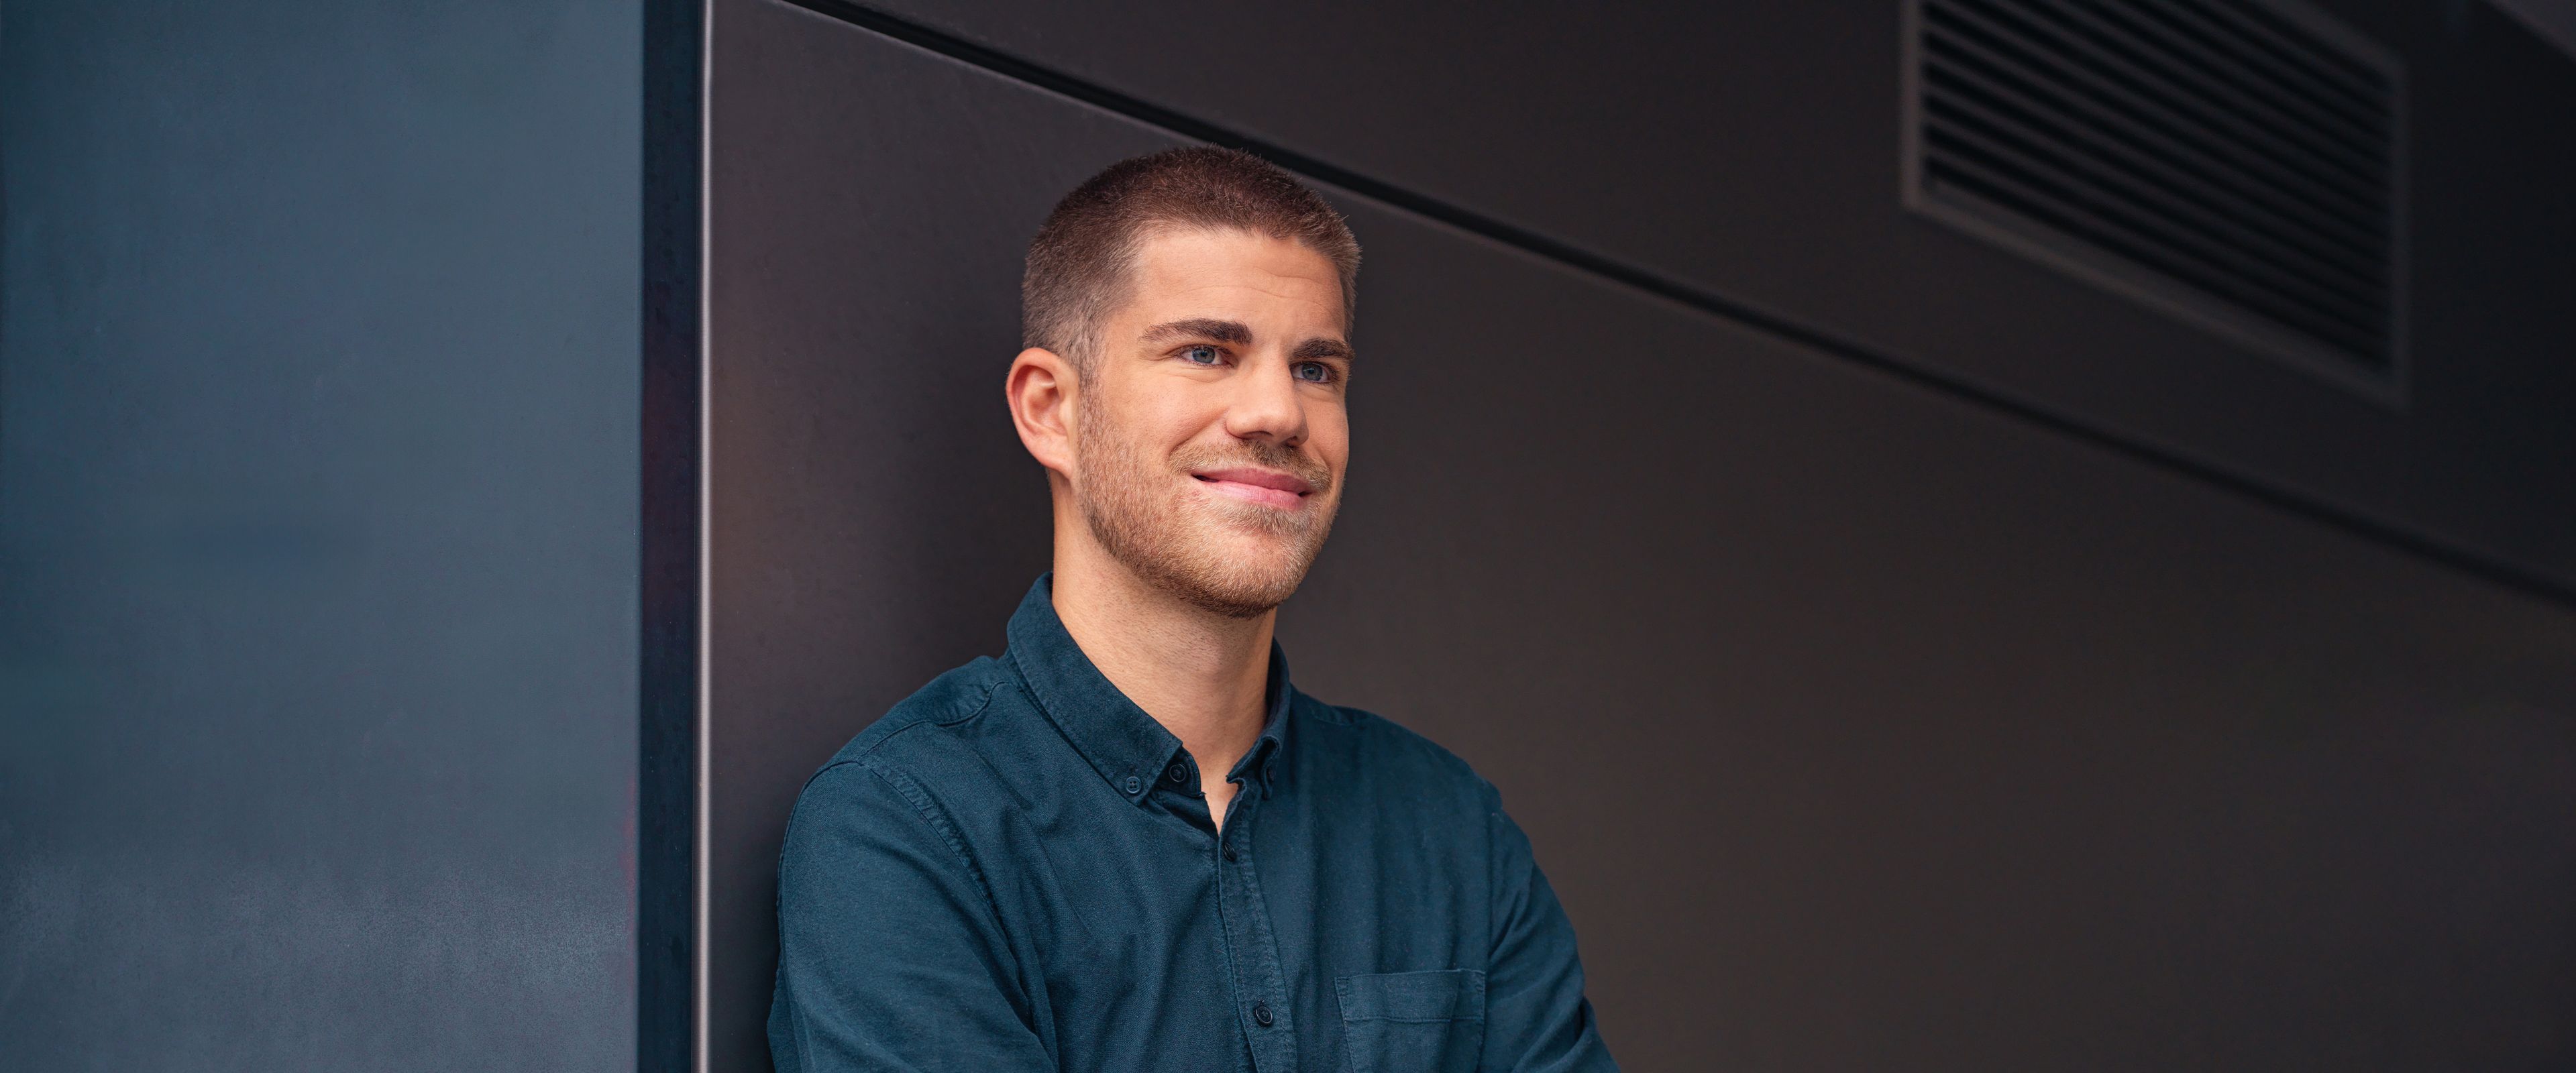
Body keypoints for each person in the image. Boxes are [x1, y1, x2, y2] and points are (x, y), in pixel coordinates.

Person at [768, 146, 1617, 1073]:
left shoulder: (1448, 829)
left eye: (1317, 369)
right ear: (1051, 408)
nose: (1277, 414)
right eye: (1207, 352)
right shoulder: (909, 830)